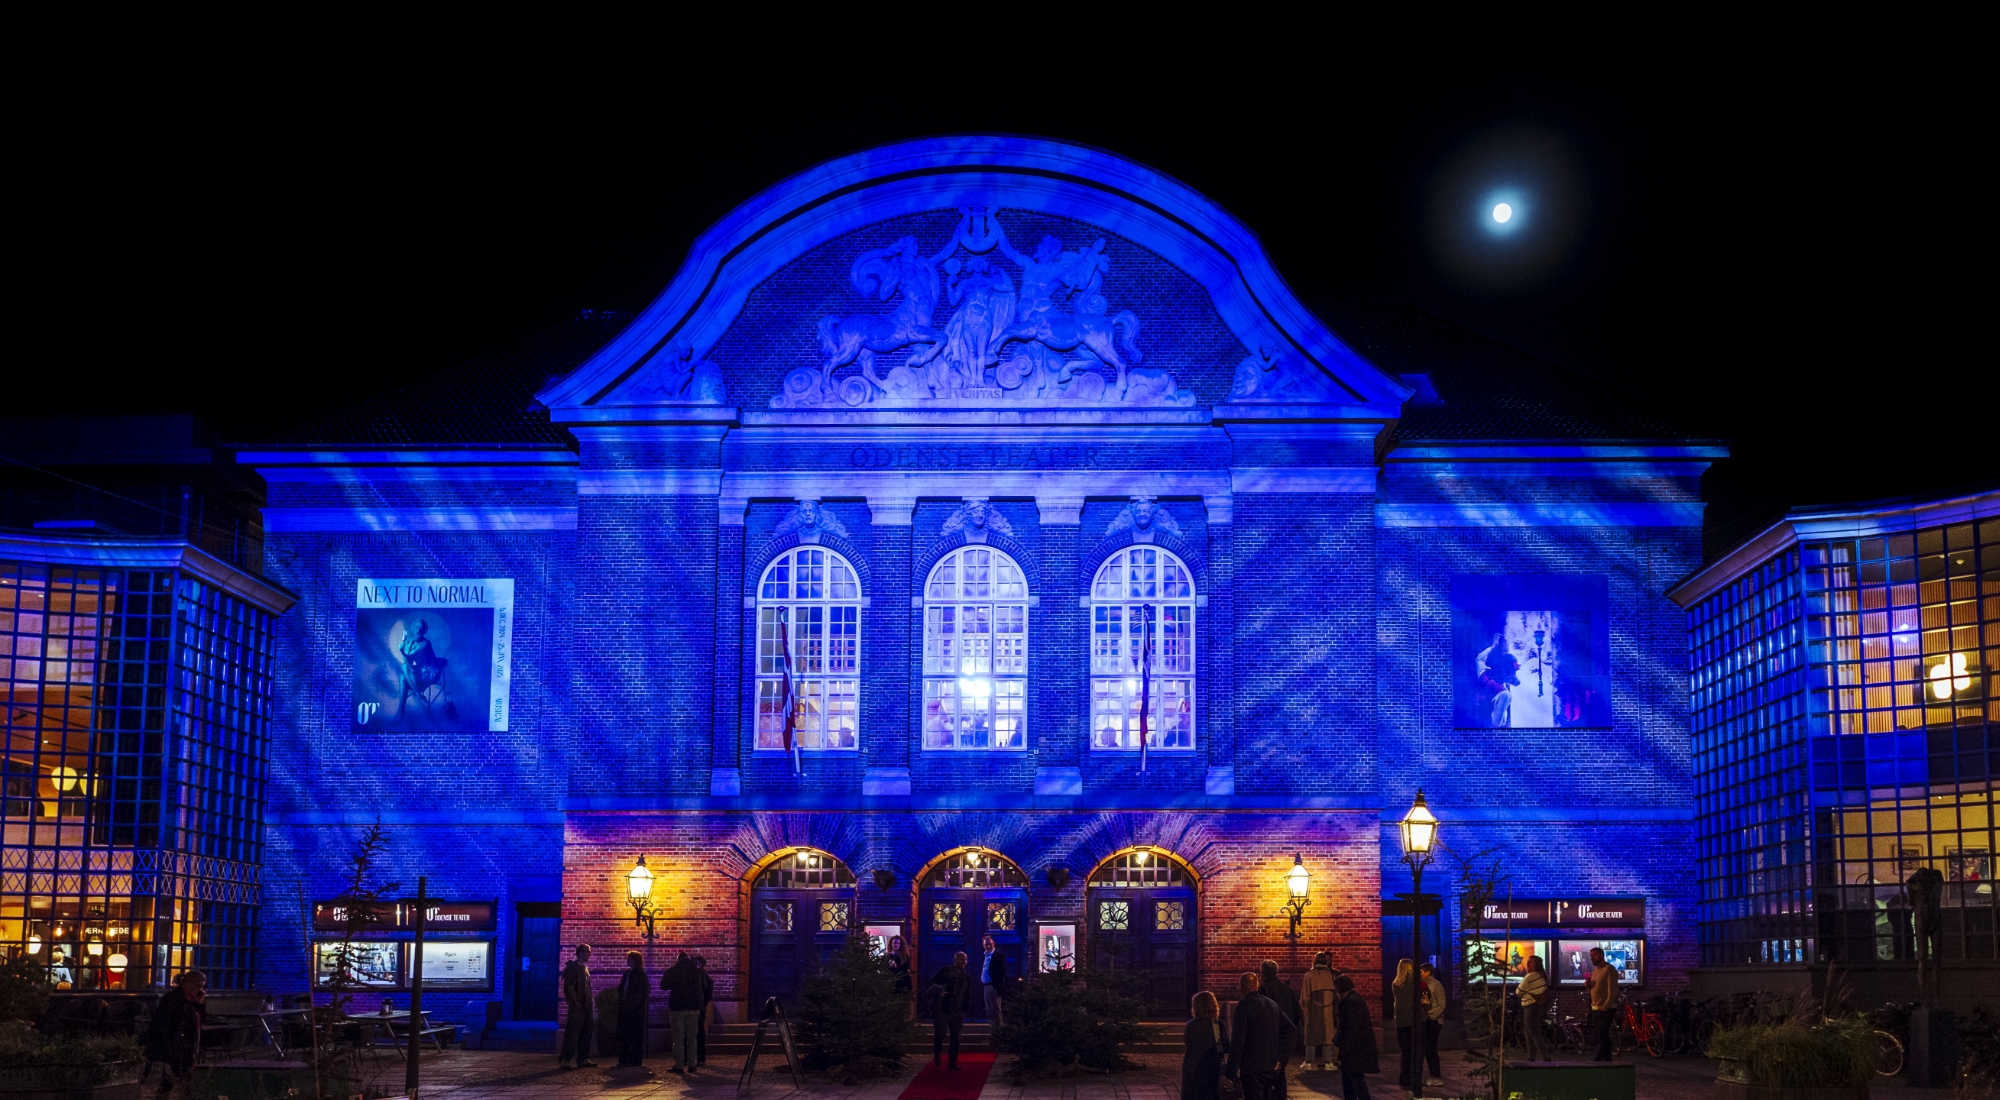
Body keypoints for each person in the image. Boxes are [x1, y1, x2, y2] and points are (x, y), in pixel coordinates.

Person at [1229, 971, 1296, 1100]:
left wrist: (1230, 1072)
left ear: (1242, 987)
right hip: (1270, 1067)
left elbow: (1238, 1040)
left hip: (1251, 1069)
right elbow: (1291, 1030)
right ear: (1257, 985)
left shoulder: (1244, 1006)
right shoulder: (1271, 1004)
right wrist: (1281, 1058)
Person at [143, 969, 206, 1098]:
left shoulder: (189, 1000)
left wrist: (199, 1004)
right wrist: (173, 1046)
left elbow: (199, 1020)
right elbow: (168, 1024)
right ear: (187, 983)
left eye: (202, 987)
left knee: (170, 1080)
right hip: (175, 1047)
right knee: (182, 1080)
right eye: (198, 986)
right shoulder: (174, 999)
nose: (199, 990)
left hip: (182, 1047)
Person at [1332, 974, 1380, 1100]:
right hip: (1356, 1047)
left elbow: (1351, 1027)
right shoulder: (1353, 999)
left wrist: (1345, 1046)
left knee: (1355, 1079)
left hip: (1355, 1048)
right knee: (1351, 1078)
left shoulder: (1350, 1002)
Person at [924, 951, 970, 1069]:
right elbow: (931, 982)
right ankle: (937, 1054)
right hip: (942, 1007)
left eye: (966, 959)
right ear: (955, 960)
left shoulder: (966, 976)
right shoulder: (945, 970)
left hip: (957, 1009)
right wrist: (939, 990)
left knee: (956, 1037)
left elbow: (967, 993)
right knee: (940, 1033)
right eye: (962, 959)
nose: (964, 962)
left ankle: (952, 1063)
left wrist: (965, 1009)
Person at [660, 951, 704, 1074]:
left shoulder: (673, 970)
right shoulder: (697, 970)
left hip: (678, 1007)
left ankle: (679, 1065)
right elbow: (704, 987)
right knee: (692, 1037)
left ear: (678, 959)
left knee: (678, 1037)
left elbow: (663, 986)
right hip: (694, 1007)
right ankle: (692, 1064)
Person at [1182, 990, 1230, 1100]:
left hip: (1192, 1068)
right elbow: (1226, 1047)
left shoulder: (1190, 1025)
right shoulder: (1217, 1025)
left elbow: (1188, 1043)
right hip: (1212, 1068)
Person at [1301, 951, 1339, 1070]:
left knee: (1311, 1036)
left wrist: (1304, 1010)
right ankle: (1328, 1062)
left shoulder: (1309, 975)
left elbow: (1305, 996)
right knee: (1327, 1037)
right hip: (1328, 1009)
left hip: (1313, 1009)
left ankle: (1308, 1062)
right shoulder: (1331, 976)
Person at [558, 944, 595, 1069]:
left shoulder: (584, 968)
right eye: (587, 952)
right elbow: (570, 987)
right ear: (580, 952)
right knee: (572, 1033)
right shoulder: (573, 968)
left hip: (587, 1004)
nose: (589, 954)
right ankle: (565, 1059)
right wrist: (576, 1002)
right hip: (578, 1006)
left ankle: (583, 1058)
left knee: (586, 1031)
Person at [614, 952, 649, 1067]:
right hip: (626, 1008)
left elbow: (643, 992)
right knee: (625, 1035)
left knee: (635, 1035)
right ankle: (624, 1059)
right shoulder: (628, 973)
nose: (627, 961)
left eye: (629, 959)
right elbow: (622, 987)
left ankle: (634, 1060)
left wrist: (632, 1004)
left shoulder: (640, 974)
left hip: (635, 1010)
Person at [1585, 947, 1618, 1061]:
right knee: (1601, 1032)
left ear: (1601, 956)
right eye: (1591, 956)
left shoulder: (1609, 969)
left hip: (1605, 1007)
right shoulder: (1594, 971)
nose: (1592, 958)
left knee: (1602, 1031)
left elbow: (1612, 989)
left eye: (1594, 955)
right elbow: (1595, 988)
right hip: (1595, 1005)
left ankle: (1598, 1056)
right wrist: (1589, 985)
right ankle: (1607, 1056)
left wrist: (1606, 1004)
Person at [1391, 960, 1418, 1092]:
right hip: (1414, 1020)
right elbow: (1425, 999)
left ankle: (1404, 1079)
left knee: (1405, 1052)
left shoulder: (1396, 984)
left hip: (1400, 1020)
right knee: (1415, 1051)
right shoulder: (1416, 983)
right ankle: (1414, 1078)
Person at [1518, 955, 1550, 1062]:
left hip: (1531, 1006)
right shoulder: (1541, 975)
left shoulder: (1530, 976)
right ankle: (1531, 1057)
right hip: (1537, 1006)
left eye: (1530, 962)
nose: (1527, 964)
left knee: (1533, 1033)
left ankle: (1546, 1057)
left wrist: (1526, 991)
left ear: (1536, 964)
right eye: (1527, 962)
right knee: (1529, 1033)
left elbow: (1518, 991)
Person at [1418, 963, 1445, 1087]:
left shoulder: (1436, 985)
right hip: (1424, 1019)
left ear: (1428, 972)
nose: (1420, 974)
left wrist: (1433, 1015)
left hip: (1434, 1020)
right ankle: (1431, 1074)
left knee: (1431, 1048)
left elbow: (1442, 1004)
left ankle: (1436, 1075)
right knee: (1425, 1048)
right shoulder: (1421, 985)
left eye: (1422, 972)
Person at [979, 934, 1010, 1025]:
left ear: (994, 944)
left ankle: (999, 1034)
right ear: (983, 945)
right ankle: (993, 1033)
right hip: (986, 986)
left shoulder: (998, 956)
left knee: (995, 1011)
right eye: (986, 945)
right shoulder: (984, 956)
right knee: (989, 1012)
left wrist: (997, 987)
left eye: (990, 944)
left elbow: (1001, 973)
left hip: (993, 986)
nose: (988, 946)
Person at [886, 935, 914, 1020]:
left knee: (901, 1009)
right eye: (894, 943)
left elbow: (906, 971)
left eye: (898, 943)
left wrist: (896, 967)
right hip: (890, 986)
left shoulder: (905, 957)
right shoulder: (887, 956)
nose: (896, 945)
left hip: (901, 986)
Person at [694, 954, 715, 1066]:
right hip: (700, 1007)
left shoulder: (705, 977)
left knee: (699, 1032)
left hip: (699, 1008)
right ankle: (699, 1058)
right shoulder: (705, 977)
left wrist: (703, 1003)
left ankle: (700, 1057)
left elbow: (708, 993)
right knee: (698, 1032)